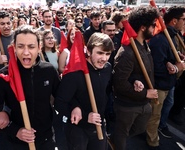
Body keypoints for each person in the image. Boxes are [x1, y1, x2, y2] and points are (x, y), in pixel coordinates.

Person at [0, 25, 60, 150]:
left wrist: (77, 109)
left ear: (39, 48)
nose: (26, 52)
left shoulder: (49, 71)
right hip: (14, 143)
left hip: (46, 140)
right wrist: (14, 129)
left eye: (31, 47)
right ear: (14, 48)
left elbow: (62, 98)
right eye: (20, 46)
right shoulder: (3, 76)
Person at [54, 32, 114, 150]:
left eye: (108, 54)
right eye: (100, 53)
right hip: (78, 130)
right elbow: (59, 103)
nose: (104, 58)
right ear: (89, 51)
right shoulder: (75, 74)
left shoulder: (107, 68)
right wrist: (84, 116)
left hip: (99, 125)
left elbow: (107, 92)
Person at [112, 6, 159, 150]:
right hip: (128, 106)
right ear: (143, 27)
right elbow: (118, 83)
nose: (155, 27)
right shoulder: (127, 52)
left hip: (143, 103)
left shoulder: (144, 45)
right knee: (121, 135)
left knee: (139, 129)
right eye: (153, 25)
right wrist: (145, 92)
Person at [146, 6, 185, 149]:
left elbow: (167, 57)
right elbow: (156, 67)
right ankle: (152, 141)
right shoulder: (160, 39)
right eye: (183, 19)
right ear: (174, 21)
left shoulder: (173, 36)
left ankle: (160, 127)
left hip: (169, 84)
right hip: (160, 85)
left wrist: (176, 58)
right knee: (154, 114)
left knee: (167, 106)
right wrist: (176, 68)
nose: (184, 22)